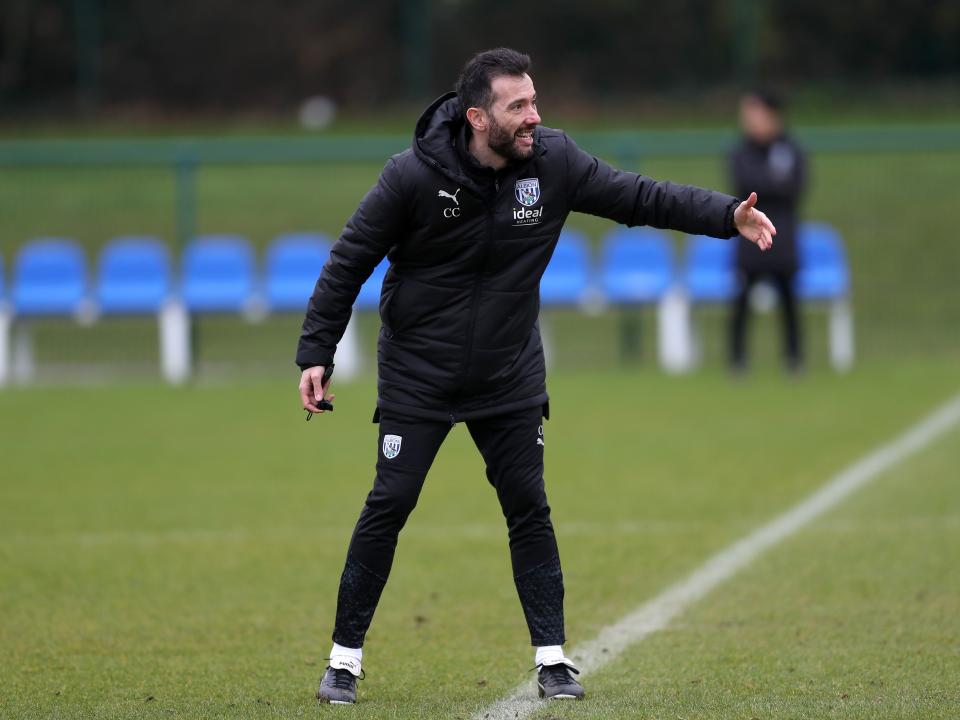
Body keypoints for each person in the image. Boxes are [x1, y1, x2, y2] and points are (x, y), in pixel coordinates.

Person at [297, 48, 775, 705]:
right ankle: (343, 662)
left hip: (508, 375)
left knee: (529, 507)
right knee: (390, 504)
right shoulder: (410, 177)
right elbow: (349, 258)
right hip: (419, 375)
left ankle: (553, 661)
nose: (534, 117)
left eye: (534, 101)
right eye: (517, 107)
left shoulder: (554, 162)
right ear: (475, 117)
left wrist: (727, 217)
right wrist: (315, 352)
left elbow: (640, 197)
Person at [728, 89, 808, 373]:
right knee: (741, 301)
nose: (749, 121)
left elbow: (796, 187)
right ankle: (737, 360)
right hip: (748, 243)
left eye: (755, 114)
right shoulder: (740, 151)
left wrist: (768, 184)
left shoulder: (790, 149)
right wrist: (773, 182)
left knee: (789, 301)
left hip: (783, 238)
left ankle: (794, 358)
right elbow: (744, 183)